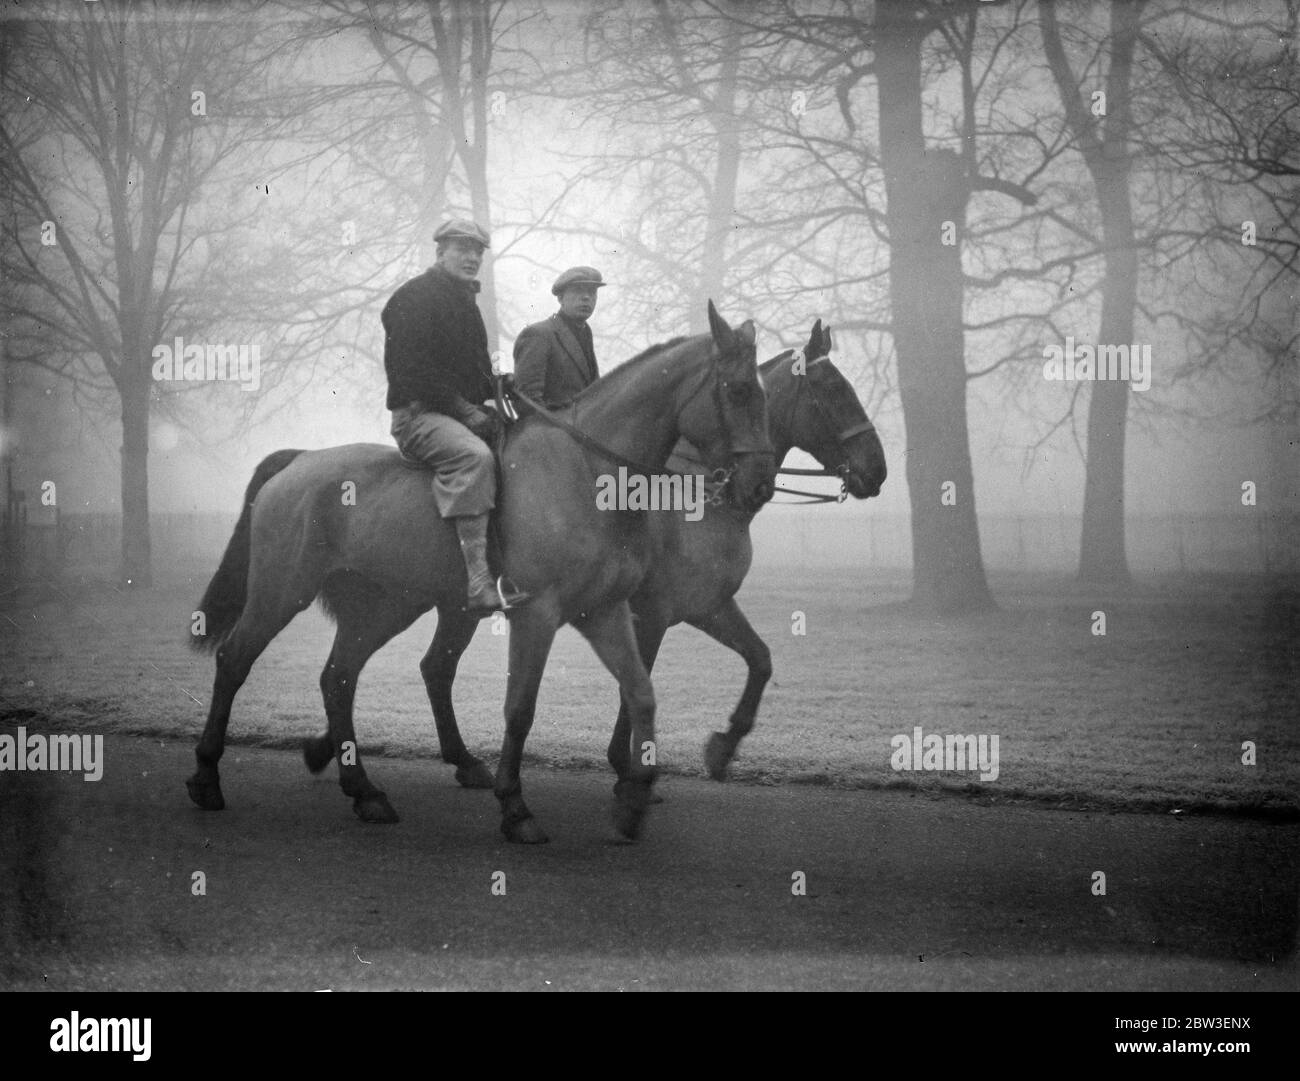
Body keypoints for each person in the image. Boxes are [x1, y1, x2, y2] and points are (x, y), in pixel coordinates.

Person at [382, 219, 528, 614]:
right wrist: (465, 410)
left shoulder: (465, 304)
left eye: (478, 251)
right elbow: (413, 371)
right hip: (418, 418)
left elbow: (473, 377)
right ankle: (478, 581)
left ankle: (511, 567)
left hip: (455, 415)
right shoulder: (412, 298)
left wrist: (505, 385)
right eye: (462, 248)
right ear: (440, 252)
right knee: (474, 457)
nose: (472, 257)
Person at [512, 266, 607, 409]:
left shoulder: (585, 333)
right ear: (561, 298)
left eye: (592, 292)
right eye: (578, 290)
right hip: (549, 428)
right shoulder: (539, 334)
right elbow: (527, 401)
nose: (586, 297)